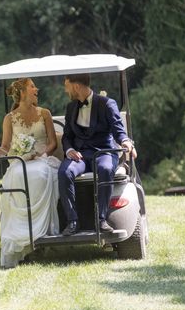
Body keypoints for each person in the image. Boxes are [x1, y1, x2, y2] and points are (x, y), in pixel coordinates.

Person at [0, 78, 61, 268]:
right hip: (20, 161)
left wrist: (41, 154)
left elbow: (53, 143)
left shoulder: (45, 113)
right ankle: (20, 231)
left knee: (40, 174)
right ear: (22, 92)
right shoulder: (9, 118)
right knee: (17, 175)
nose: (36, 89)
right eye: (32, 86)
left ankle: (41, 229)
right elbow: (6, 147)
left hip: (41, 159)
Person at [58, 74, 137, 236]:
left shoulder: (107, 104)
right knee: (64, 172)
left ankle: (101, 219)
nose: (66, 90)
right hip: (80, 155)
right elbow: (67, 136)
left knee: (105, 168)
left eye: (67, 86)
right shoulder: (71, 107)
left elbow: (118, 129)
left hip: (103, 152)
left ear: (76, 86)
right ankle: (72, 221)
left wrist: (126, 141)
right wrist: (69, 150)